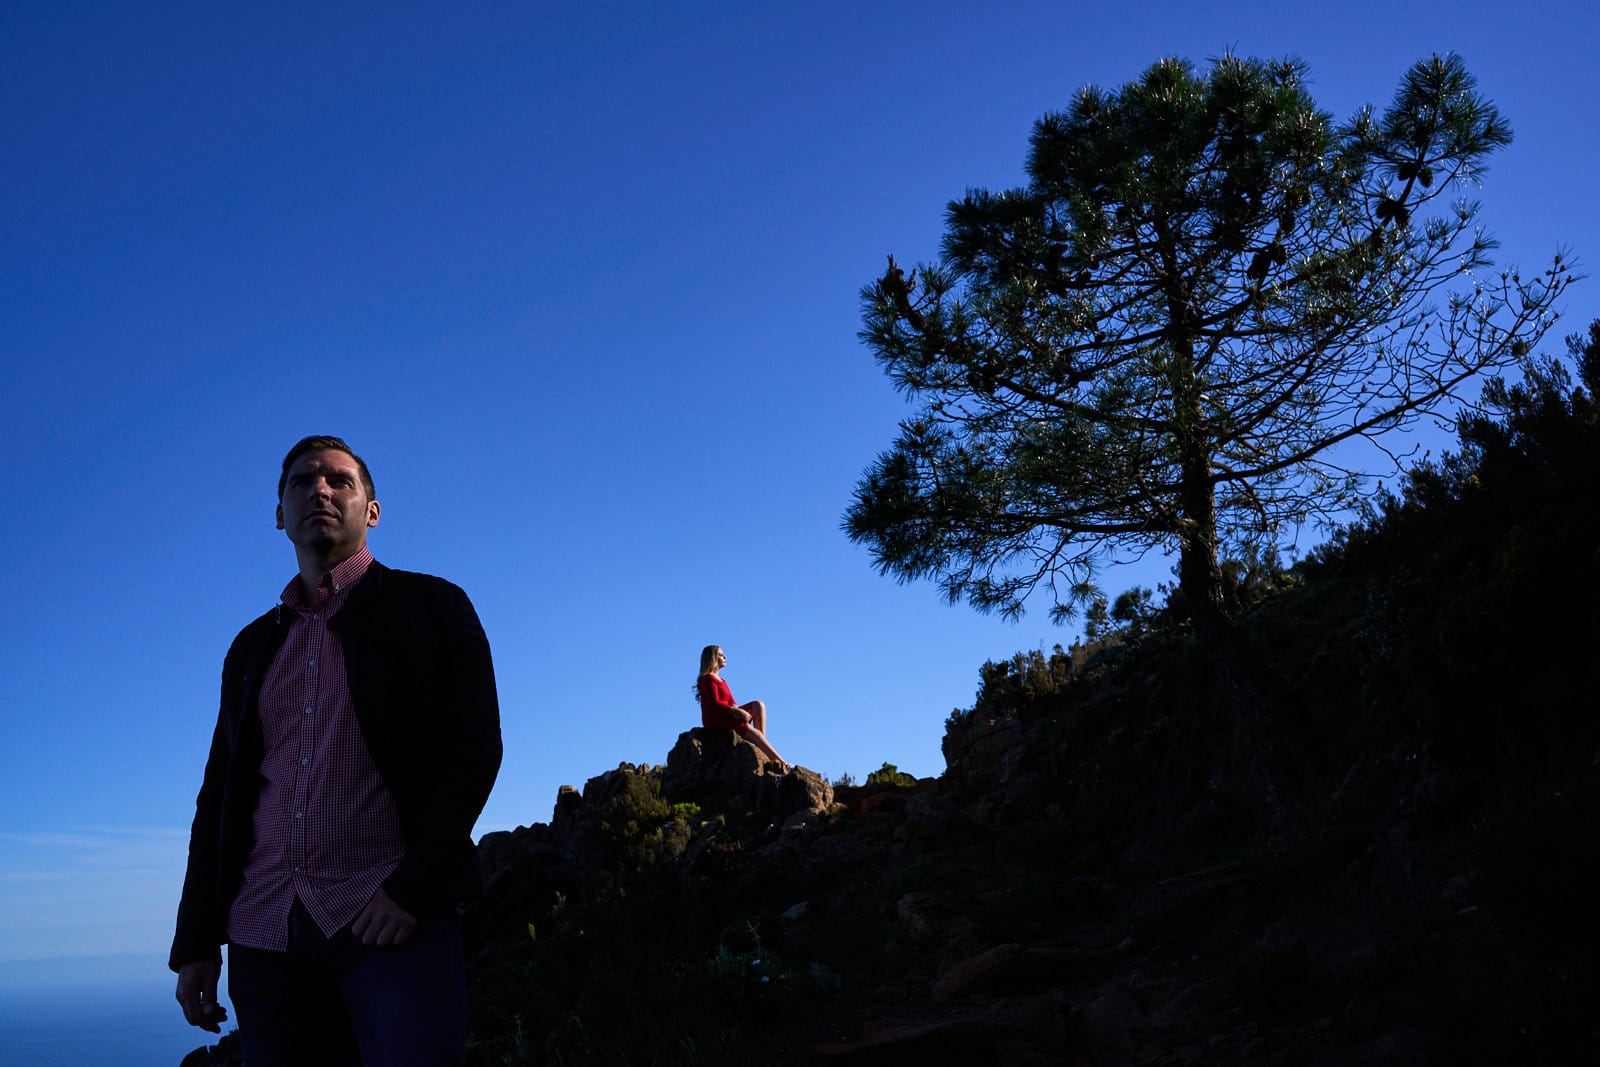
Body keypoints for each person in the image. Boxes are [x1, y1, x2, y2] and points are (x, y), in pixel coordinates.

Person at [170, 435, 502, 1066]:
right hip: (264, 934)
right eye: (301, 482)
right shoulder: (250, 648)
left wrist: (413, 890)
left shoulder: (433, 606)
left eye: (339, 481)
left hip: (389, 919)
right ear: (279, 514)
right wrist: (195, 942)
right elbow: (219, 797)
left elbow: (475, 749)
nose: (319, 490)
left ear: (371, 510)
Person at [695, 644, 787, 770]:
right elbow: (714, 703)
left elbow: (732, 702)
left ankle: (761, 746)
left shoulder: (722, 681)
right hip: (716, 719)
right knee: (755, 734)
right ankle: (783, 764)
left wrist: (738, 711)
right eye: (721, 655)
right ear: (713, 658)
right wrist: (736, 712)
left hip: (728, 714)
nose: (725, 657)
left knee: (758, 705)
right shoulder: (707, 679)